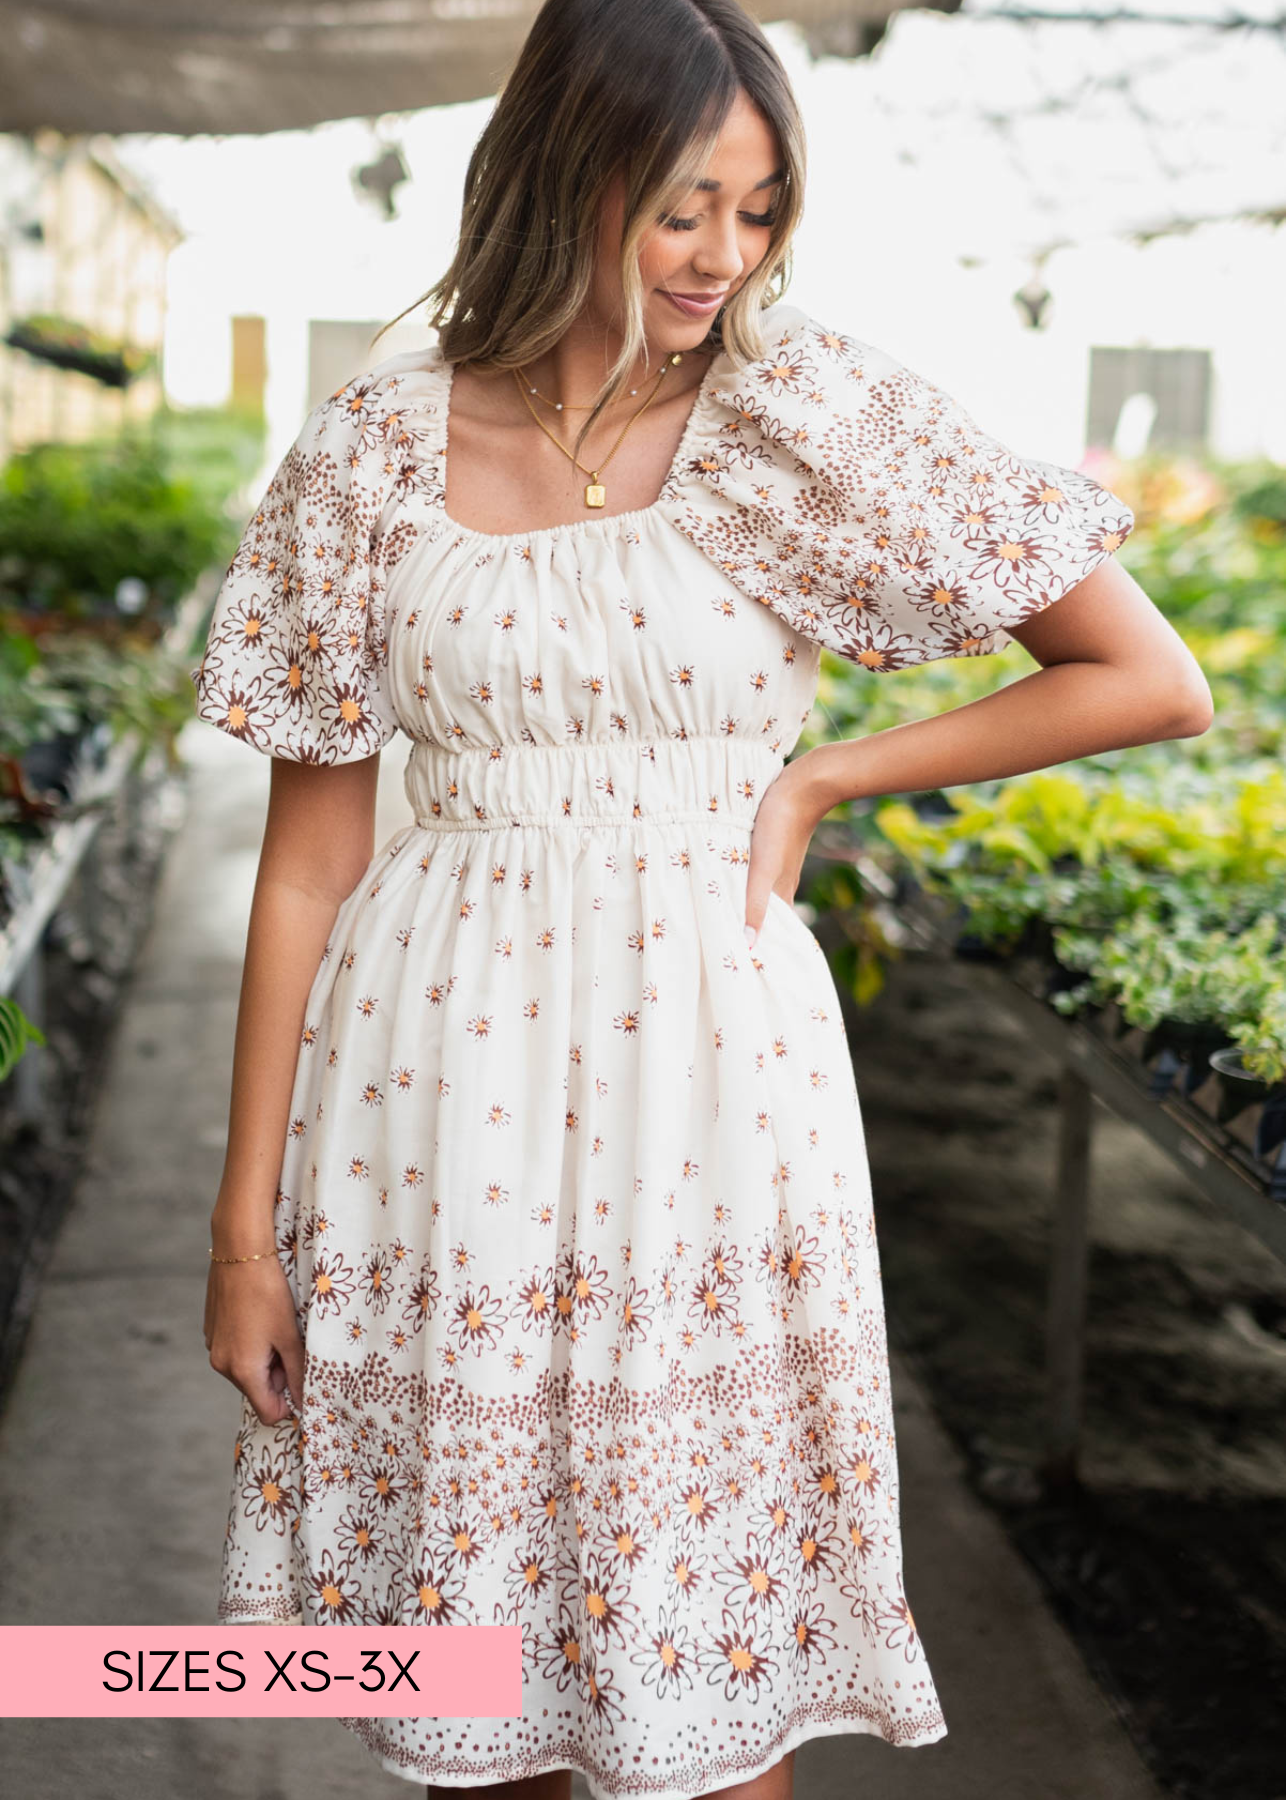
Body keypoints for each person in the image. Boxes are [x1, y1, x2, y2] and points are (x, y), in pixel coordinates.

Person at [195, 1, 1212, 1796]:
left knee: (703, 1682)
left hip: (710, 1091)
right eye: (683, 207)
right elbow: (306, 863)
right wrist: (241, 1232)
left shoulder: (803, 411)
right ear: (560, 176)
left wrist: (825, 772)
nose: (722, 256)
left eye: (759, 210)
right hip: (433, 1094)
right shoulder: (368, 450)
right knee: (468, 1688)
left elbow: (1142, 677)